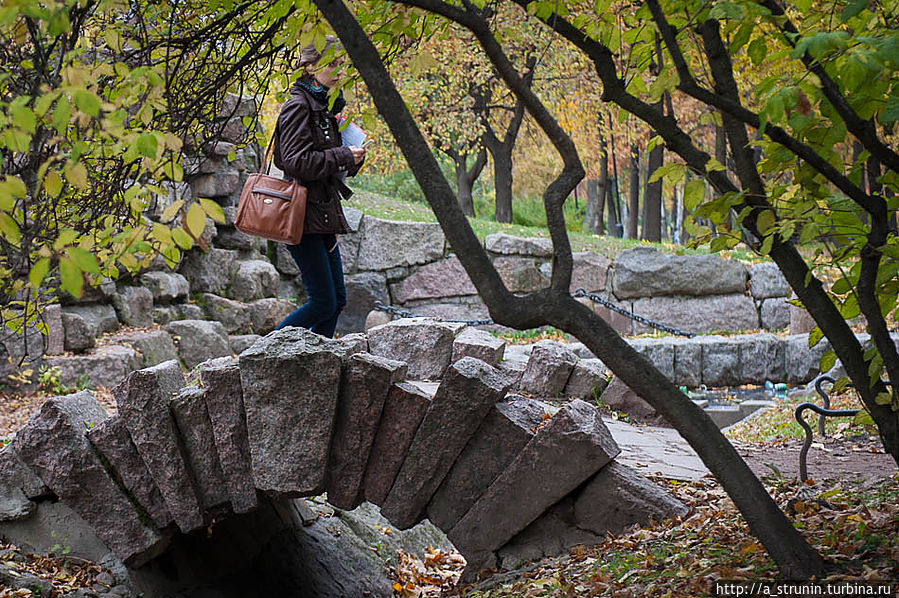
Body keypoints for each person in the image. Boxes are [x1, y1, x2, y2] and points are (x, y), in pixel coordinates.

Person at [273, 39, 365, 337]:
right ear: (311, 67)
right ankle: (261, 357)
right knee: (323, 302)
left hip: (322, 214)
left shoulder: (324, 106)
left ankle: (317, 365)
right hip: (301, 216)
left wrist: (352, 157)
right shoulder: (298, 106)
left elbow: (326, 163)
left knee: (336, 301)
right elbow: (294, 162)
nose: (340, 71)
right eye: (333, 64)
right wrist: (342, 155)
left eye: (342, 65)